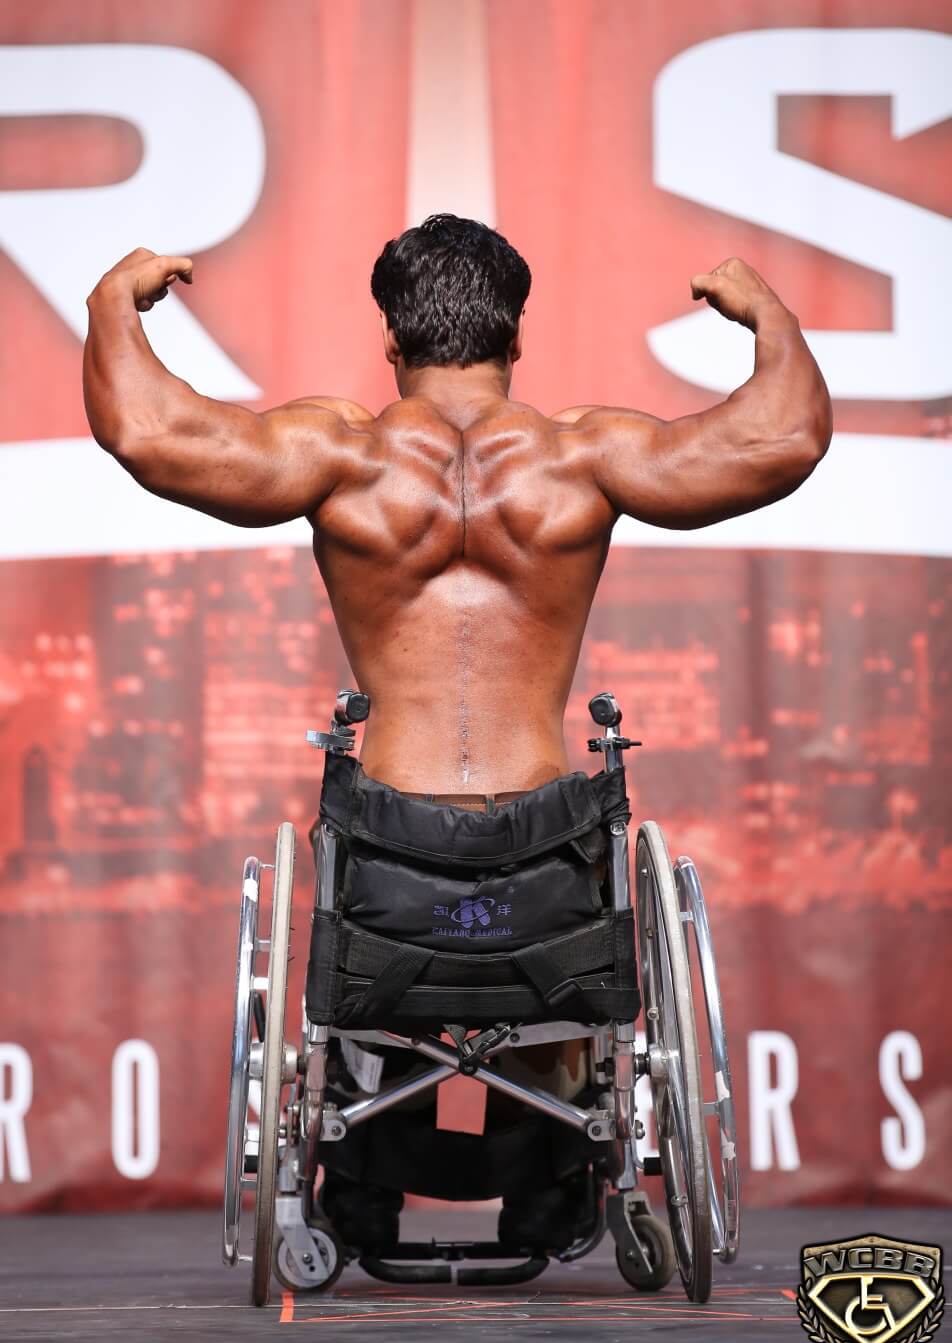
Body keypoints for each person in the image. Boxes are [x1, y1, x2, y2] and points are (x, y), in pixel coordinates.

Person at [83, 214, 832, 1247]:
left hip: (387, 871)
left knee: (367, 944)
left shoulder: (341, 457)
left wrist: (113, 304)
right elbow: (783, 438)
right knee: (559, 951)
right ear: (516, 338)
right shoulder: (582, 459)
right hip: (547, 869)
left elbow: (147, 432)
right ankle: (551, 1175)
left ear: (391, 342)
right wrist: (767, 314)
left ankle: (362, 1177)